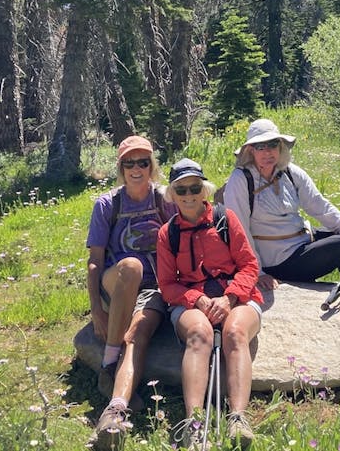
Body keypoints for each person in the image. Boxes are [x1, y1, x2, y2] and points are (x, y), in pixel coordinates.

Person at [156, 158, 262, 451]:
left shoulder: (225, 218)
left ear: (204, 190)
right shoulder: (168, 233)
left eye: (194, 187)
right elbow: (167, 285)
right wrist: (197, 299)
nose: (188, 195)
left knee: (235, 333)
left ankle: (238, 418)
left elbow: (250, 266)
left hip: (236, 295)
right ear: (172, 195)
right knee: (199, 334)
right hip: (192, 299)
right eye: (181, 190)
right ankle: (194, 422)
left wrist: (229, 298)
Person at [86, 135, 176, 450]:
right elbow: (95, 263)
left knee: (137, 335)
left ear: (152, 166)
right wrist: (97, 309)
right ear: (120, 167)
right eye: (129, 163)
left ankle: (114, 412)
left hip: (155, 289)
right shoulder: (107, 204)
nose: (136, 168)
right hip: (118, 278)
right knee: (131, 266)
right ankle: (110, 361)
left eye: (142, 162)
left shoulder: (164, 199)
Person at [223, 118, 340, 291]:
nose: (268, 152)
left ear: (280, 146)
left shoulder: (289, 172)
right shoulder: (240, 180)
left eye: (273, 144)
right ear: (251, 150)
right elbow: (239, 230)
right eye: (261, 146)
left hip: (302, 242)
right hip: (277, 261)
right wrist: (257, 272)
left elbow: (319, 205)